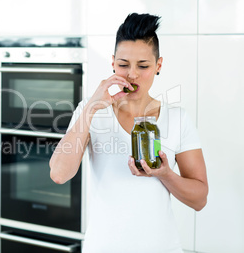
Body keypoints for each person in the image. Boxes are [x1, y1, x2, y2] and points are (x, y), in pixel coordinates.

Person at [49, 13, 208, 253]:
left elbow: (199, 199)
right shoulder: (91, 112)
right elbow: (59, 174)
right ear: (112, 63)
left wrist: (165, 175)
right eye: (123, 65)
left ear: (158, 66)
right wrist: (91, 106)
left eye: (143, 66)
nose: (132, 74)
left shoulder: (177, 118)